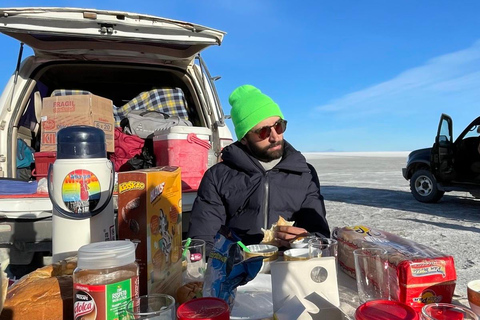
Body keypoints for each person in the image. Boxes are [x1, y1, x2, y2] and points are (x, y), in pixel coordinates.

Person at [187, 84, 330, 254]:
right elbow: (203, 240)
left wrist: (309, 239)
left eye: (279, 126)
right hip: (237, 269)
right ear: (244, 138)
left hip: (290, 266)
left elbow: (320, 235)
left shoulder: (304, 174)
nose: (274, 136)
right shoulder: (218, 176)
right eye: (263, 132)